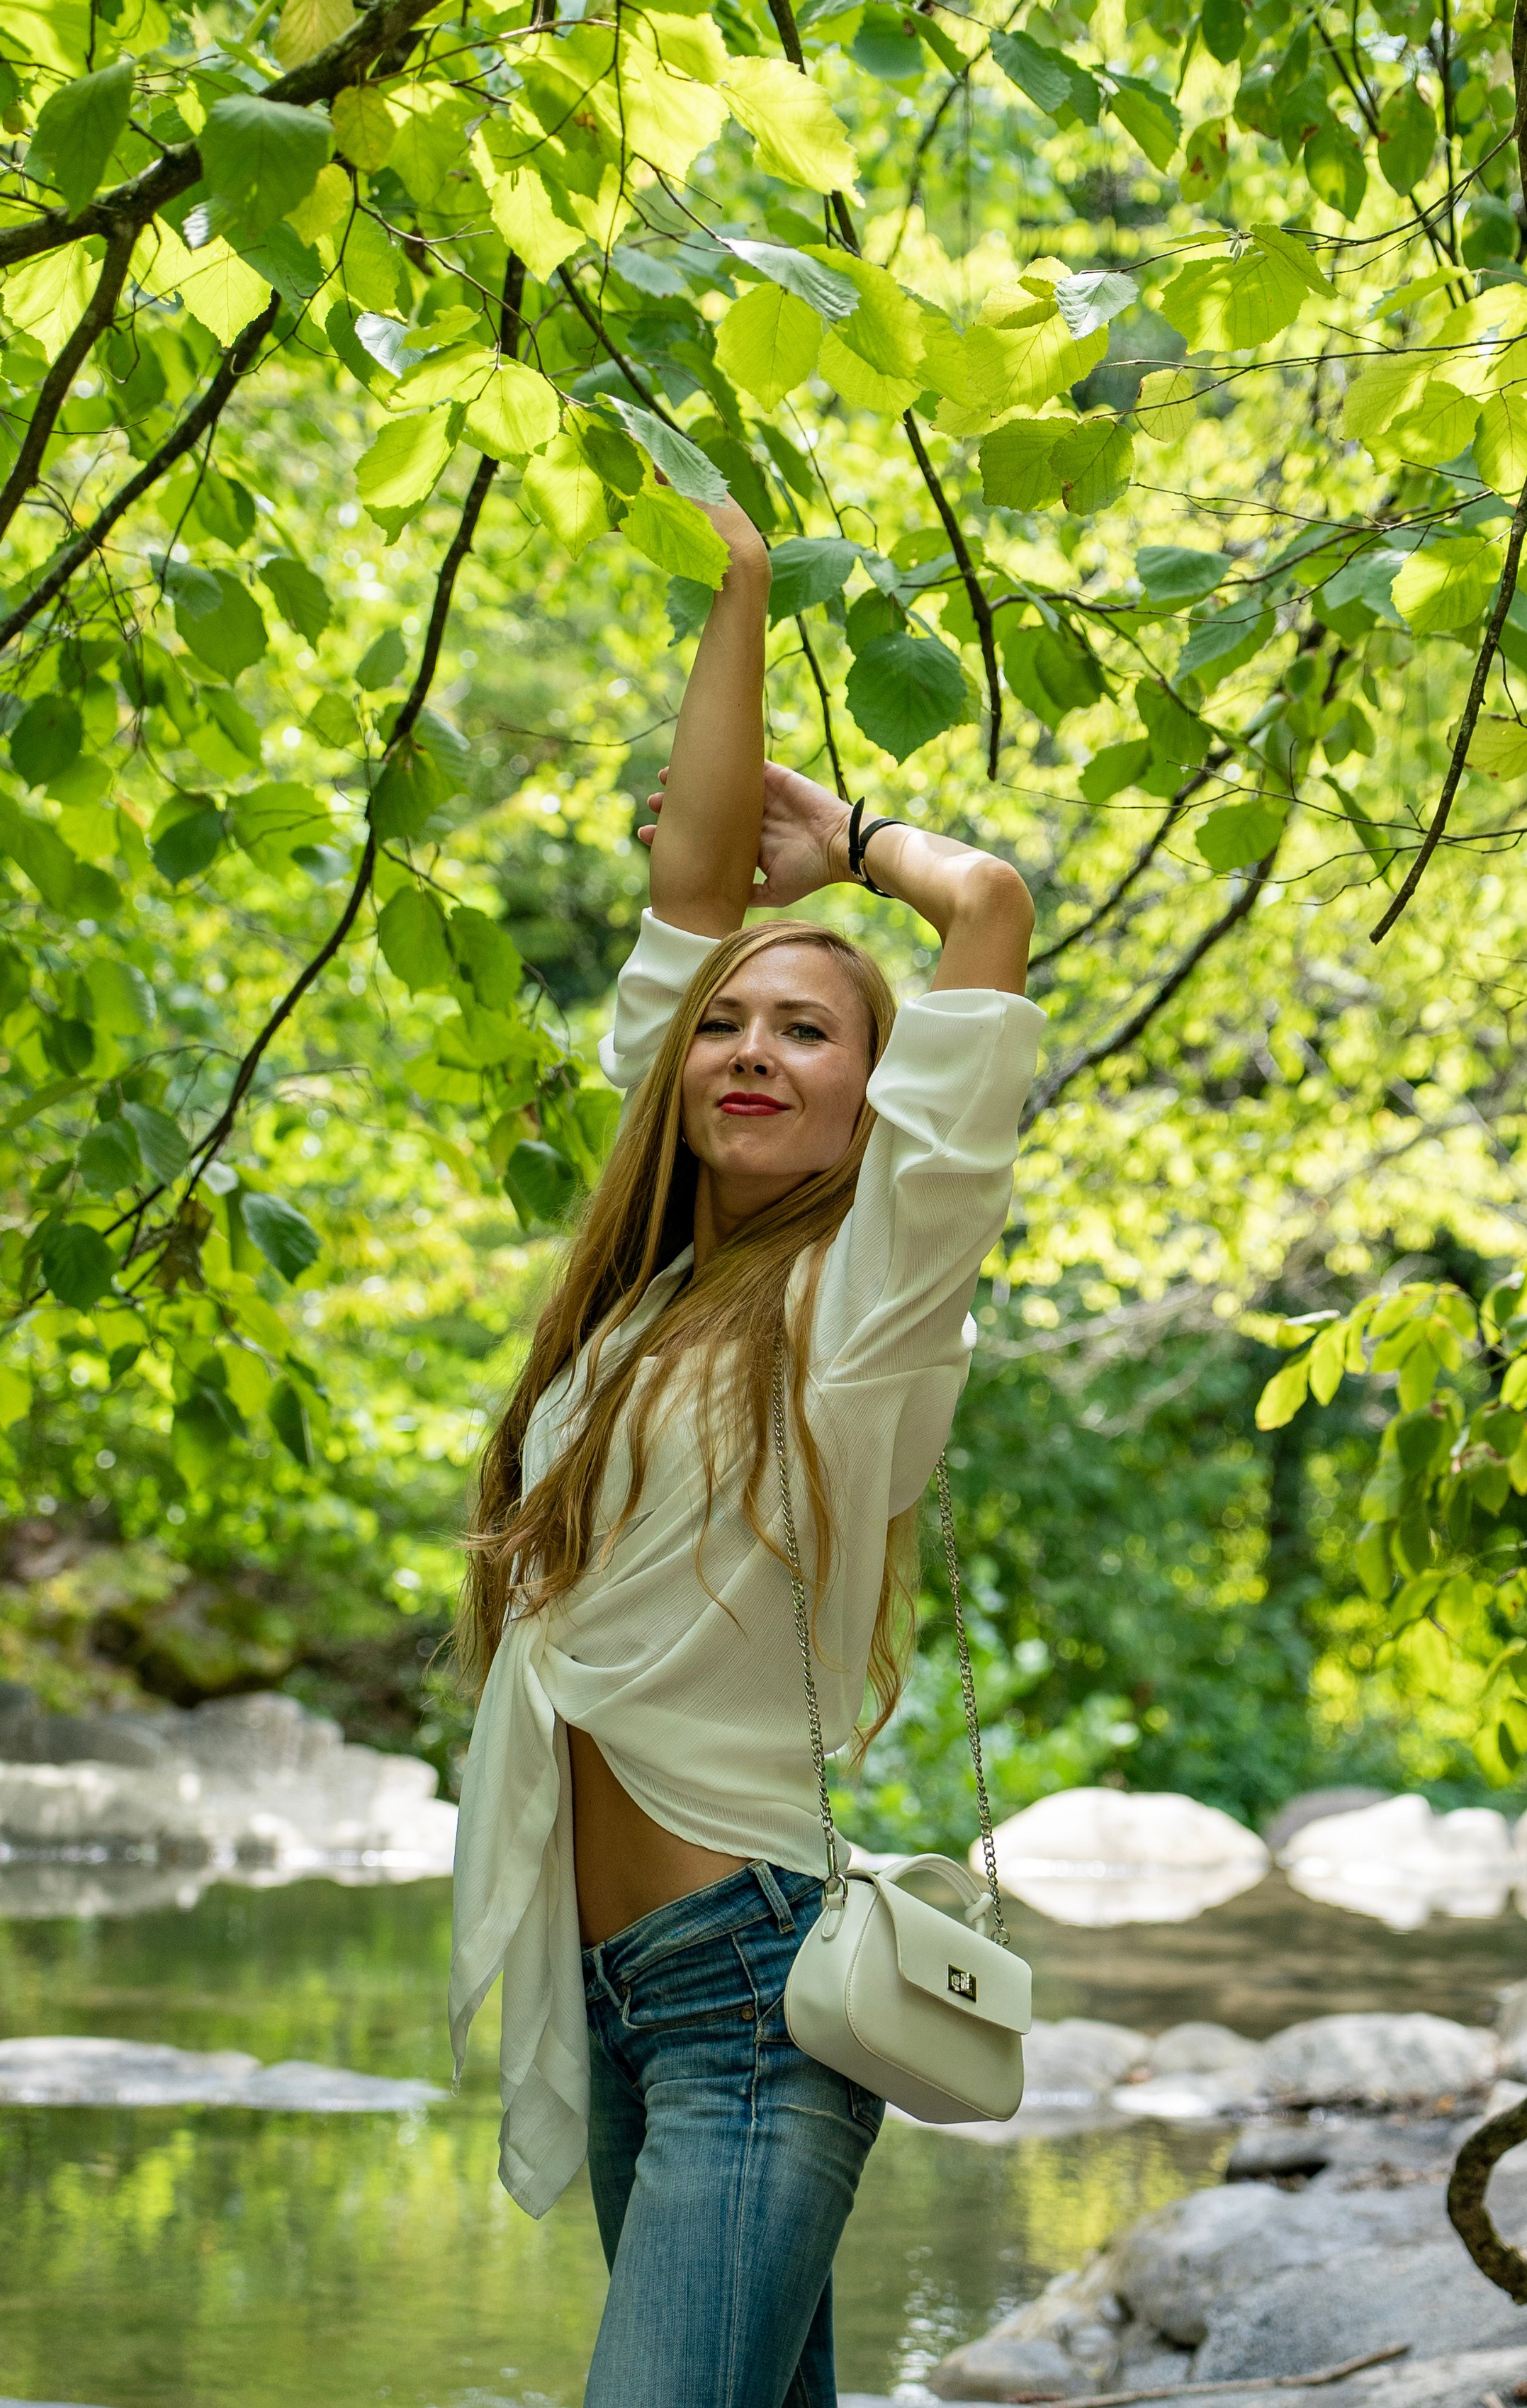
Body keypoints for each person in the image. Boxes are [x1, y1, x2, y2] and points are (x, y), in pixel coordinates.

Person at [448, 491, 1044, 2408]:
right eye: (727, 1028)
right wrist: (737, 586)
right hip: (633, 2007)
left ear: (879, 1098)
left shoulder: (865, 1298)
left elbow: (993, 911)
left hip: (750, 2002)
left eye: (809, 1028)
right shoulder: (635, 1300)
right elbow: (692, 881)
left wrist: (859, 847)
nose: (752, 1045)